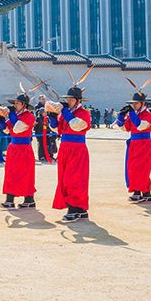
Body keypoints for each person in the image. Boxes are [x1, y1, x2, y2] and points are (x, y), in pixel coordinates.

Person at [47, 83, 91, 222]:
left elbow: (76, 125)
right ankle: (80, 209)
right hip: (65, 148)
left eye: (71, 99)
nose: (68, 102)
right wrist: (53, 117)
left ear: (78, 101)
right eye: (67, 99)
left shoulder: (84, 113)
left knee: (73, 179)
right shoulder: (67, 113)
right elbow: (57, 129)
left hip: (77, 149)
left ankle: (73, 208)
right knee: (65, 178)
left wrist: (64, 112)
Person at [116, 92, 151, 202]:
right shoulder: (134, 115)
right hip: (134, 143)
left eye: (136, 104)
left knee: (142, 169)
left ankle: (144, 192)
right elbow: (125, 128)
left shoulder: (147, 115)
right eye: (133, 104)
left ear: (142, 103)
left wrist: (132, 114)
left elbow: (140, 126)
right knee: (132, 168)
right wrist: (121, 116)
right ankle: (139, 191)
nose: (134, 106)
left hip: (144, 144)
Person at [0, 92, 37, 209]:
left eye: (17, 103)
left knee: (26, 174)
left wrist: (10, 115)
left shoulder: (29, 116)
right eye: (15, 103)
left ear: (24, 105)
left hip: (24, 148)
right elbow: (6, 130)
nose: (15, 105)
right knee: (11, 173)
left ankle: (29, 199)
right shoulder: (16, 115)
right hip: (14, 147)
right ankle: (10, 199)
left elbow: (16, 129)